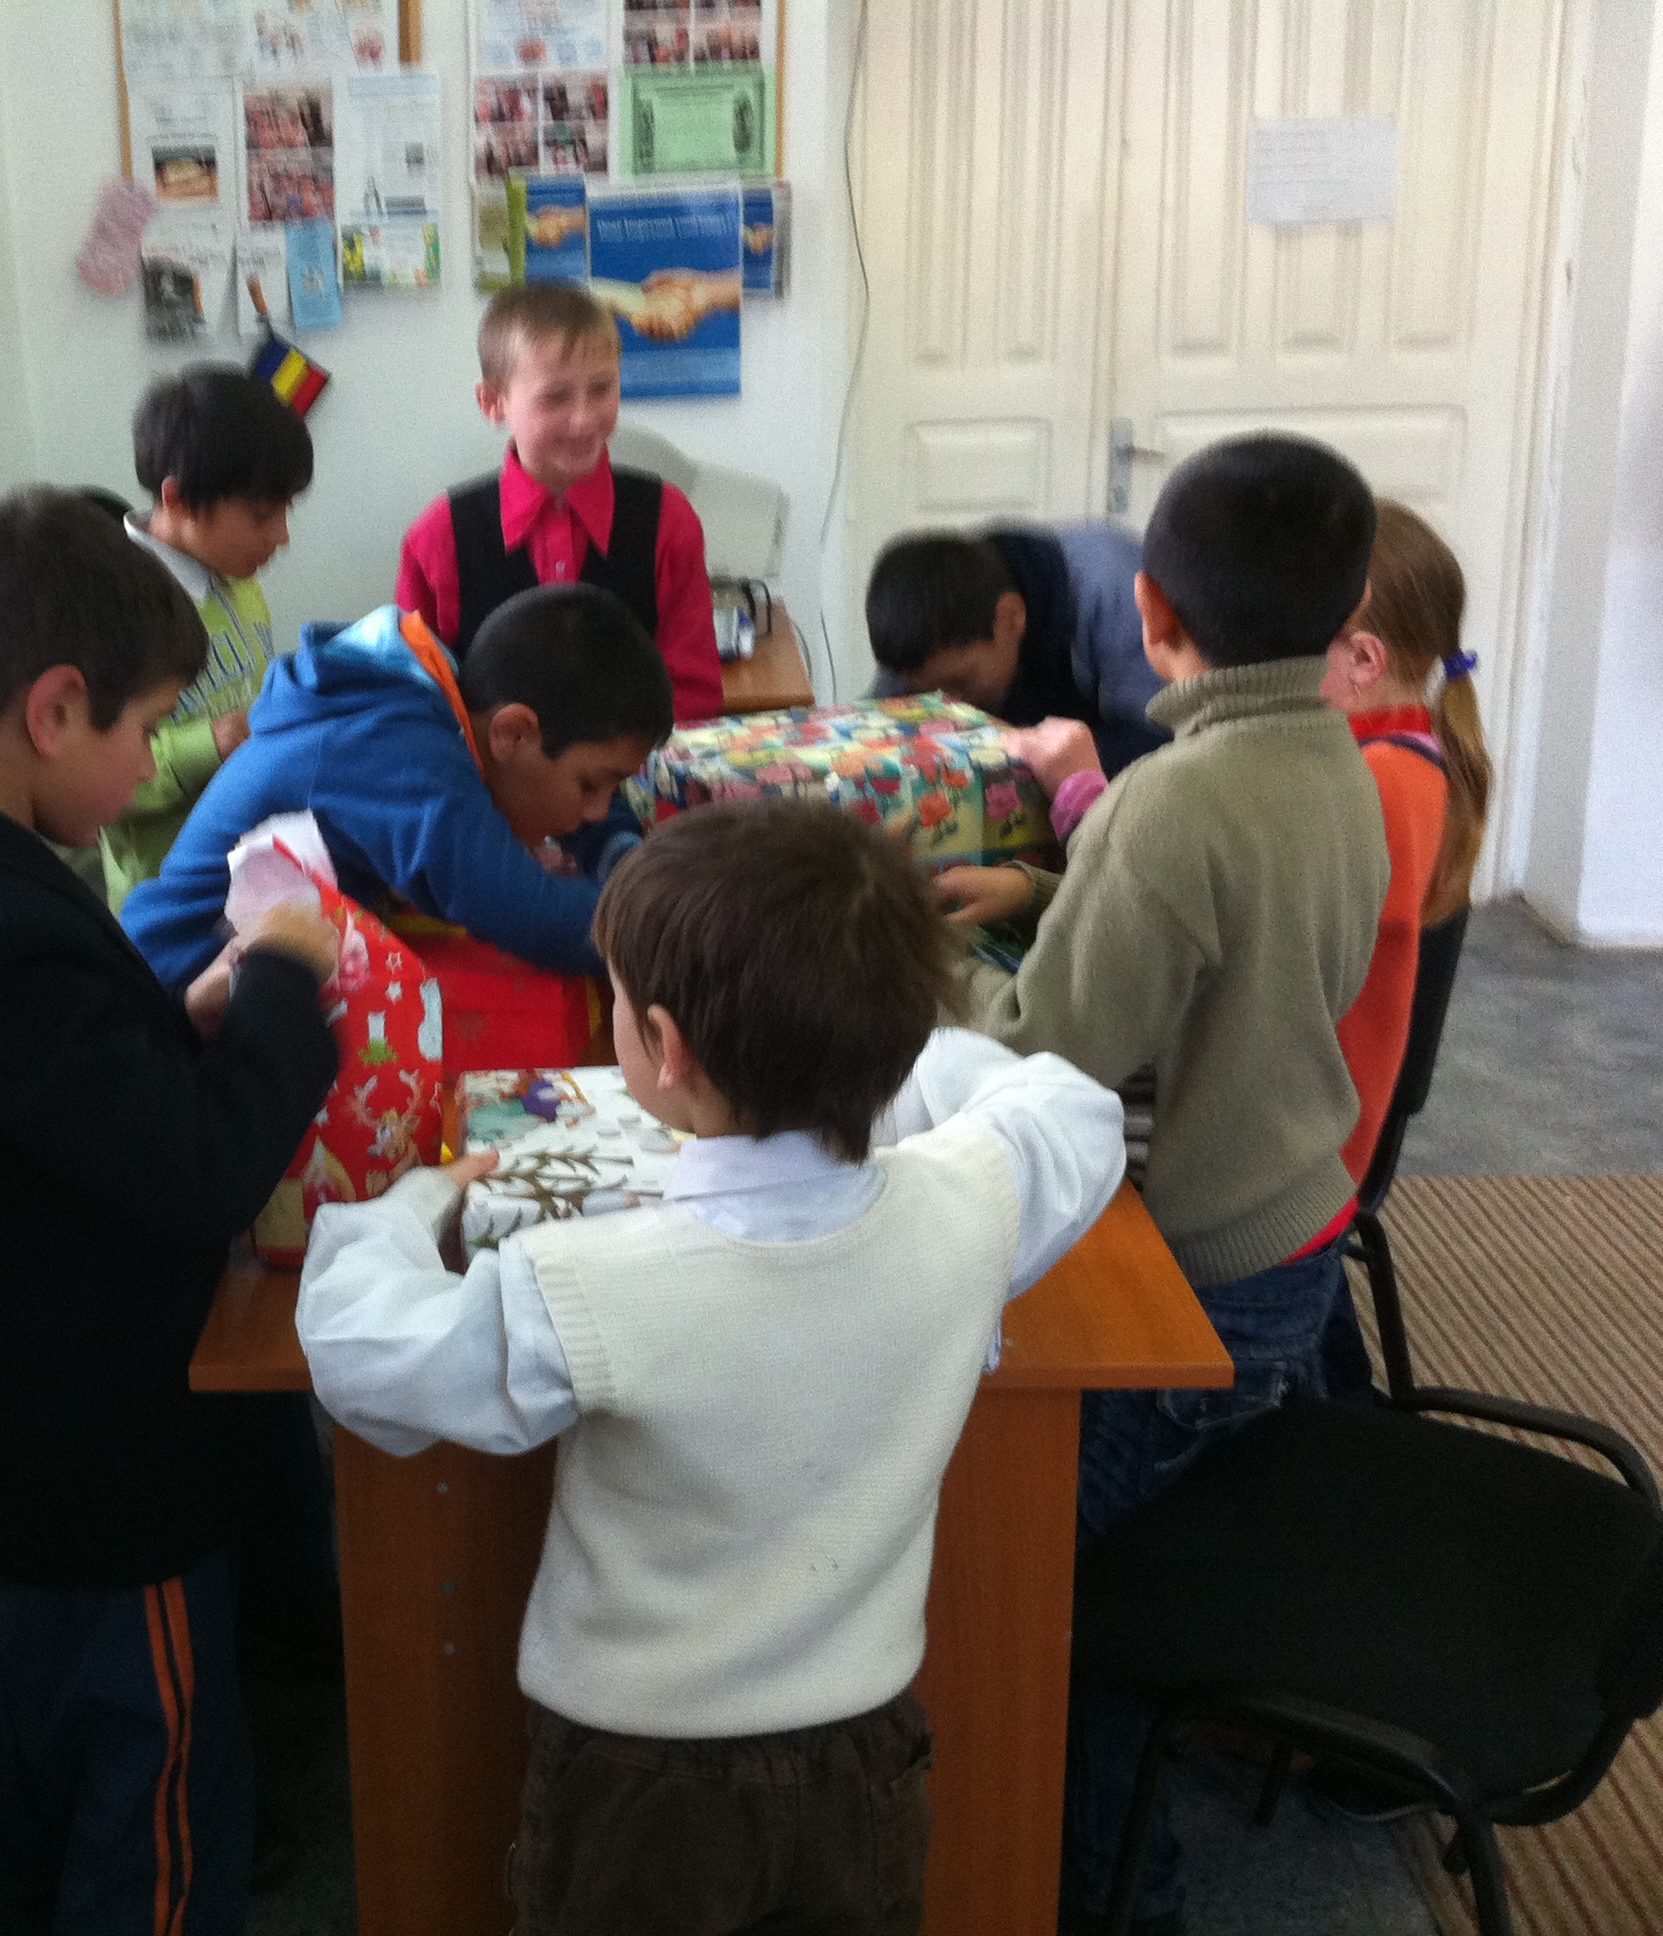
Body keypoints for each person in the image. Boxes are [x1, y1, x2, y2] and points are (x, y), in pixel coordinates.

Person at [296, 800, 1123, 1936]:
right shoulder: (971, 1205)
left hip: (641, 1788)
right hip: (866, 1760)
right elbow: (1066, 1109)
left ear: (664, 1045)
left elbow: (364, 1352)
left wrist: (410, 1205)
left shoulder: (586, 1281)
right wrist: (863, 1047)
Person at [0, 490, 341, 1934]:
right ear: (56, 709)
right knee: (154, 1814)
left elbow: (35, 1108)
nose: (148, 765)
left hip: (19, 1449)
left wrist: (171, 1017)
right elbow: (200, 1168)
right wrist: (283, 979)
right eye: (147, 728)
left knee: (61, 1785)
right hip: (109, 1471)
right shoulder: (1, 932)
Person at [959, 435, 1388, 1935]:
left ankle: (1115, 1897)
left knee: (1026, 1565)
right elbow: (1226, 934)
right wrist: (1053, 890)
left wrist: (929, 967)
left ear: (1151, 615)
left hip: (1200, 1277)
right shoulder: (1337, 758)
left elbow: (1042, 1056)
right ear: (1347, 621)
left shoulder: (1172, 804)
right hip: (1298, 1227)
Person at [121, 583, 673, 989]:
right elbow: (529, 912)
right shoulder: (403, 754)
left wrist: (619, 852)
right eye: (589, 785)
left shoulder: (435, 704)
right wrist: (677, 920)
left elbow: (582, 818)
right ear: (513, 733)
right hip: (178, 986)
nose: (597, 810)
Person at [1315, 499, 1494, 1393]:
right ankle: (1335, 1393)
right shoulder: (1396, 758)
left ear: (1361, 661)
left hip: (1314, 1146)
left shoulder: (1378, 785)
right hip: (1325, 1129)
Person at [398, 284, 722, 725]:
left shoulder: (669, 520)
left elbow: (692, 695)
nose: (584, 419)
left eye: (602, 388)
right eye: (555, 397)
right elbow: (417, 704)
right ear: (493, 403)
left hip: (640, 766)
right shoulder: (437, 538)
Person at [100, 366, 316, 912]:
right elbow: (90, 778)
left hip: (250, 873)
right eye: (262, 516)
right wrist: (209, 744)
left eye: (286, 511)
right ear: (177, 500)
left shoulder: (237, 576)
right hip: (168, 900)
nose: (282, 537)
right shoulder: (110, 605)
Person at [865, 522, 1168, 774]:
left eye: (961, 683)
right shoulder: (919, 629)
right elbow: (873, 735)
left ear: (1012, 618)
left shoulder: (1115, 595)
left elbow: (1166, 744)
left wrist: (1047, 752)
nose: (950, 707)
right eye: (928, 694)